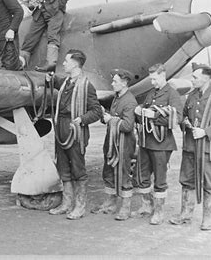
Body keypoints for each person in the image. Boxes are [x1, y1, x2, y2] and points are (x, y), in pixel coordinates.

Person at [169, 63, 211, 231]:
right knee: (186, 181)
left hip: (208, 148)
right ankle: (185, 215)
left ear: (206, 78)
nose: (192, 79)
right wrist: (184, 122)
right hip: (190, 147)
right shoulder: (191, 96)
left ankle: (206, 219)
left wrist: (205, 132)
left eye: (195, 77)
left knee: (208, 183)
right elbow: (184, 117)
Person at [46, 49, 102, 220]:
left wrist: (81, 119)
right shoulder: (65, 82)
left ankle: (80, 206)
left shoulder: (87, 86)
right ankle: (66, 203)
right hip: (61, 128)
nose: (63, 63)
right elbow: (57, 82)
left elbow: (97, 111)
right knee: (63, 167)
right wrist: (49, 78)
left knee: (78, 170)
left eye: (66, 61)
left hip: (76, 130)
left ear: (75, 64)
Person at [132, 64, 182, 225]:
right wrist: (140, 111)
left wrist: (154, 116)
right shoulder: (152, 93)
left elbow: (177, 118)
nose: (152, 82)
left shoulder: (172, 93)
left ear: (163, 75)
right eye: (150, 79)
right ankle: (147, 206)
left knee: (160, 179)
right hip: (146, 142)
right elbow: (145, 109)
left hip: (162, 144)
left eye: (154, 79)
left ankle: (159, 212)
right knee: (143, 176)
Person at [91, 69, 137, 221]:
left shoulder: (129, 101)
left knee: (123, 174)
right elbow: (114, 119)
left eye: (115, 81)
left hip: (123, 144)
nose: (112, 83)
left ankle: (125, 207)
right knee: (108, 171)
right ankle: (110, 203)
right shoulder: (117, 98)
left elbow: (128, 126)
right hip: (111, 141)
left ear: (124, 83)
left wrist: (111, 119)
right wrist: (105, 118)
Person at [20, 0, 72, 72]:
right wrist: (29, 2)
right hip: (40, 11)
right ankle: (21, 61)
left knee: (52, 35)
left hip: (54, 12)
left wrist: (51, 5)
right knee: (30, 36)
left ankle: (50, 63)